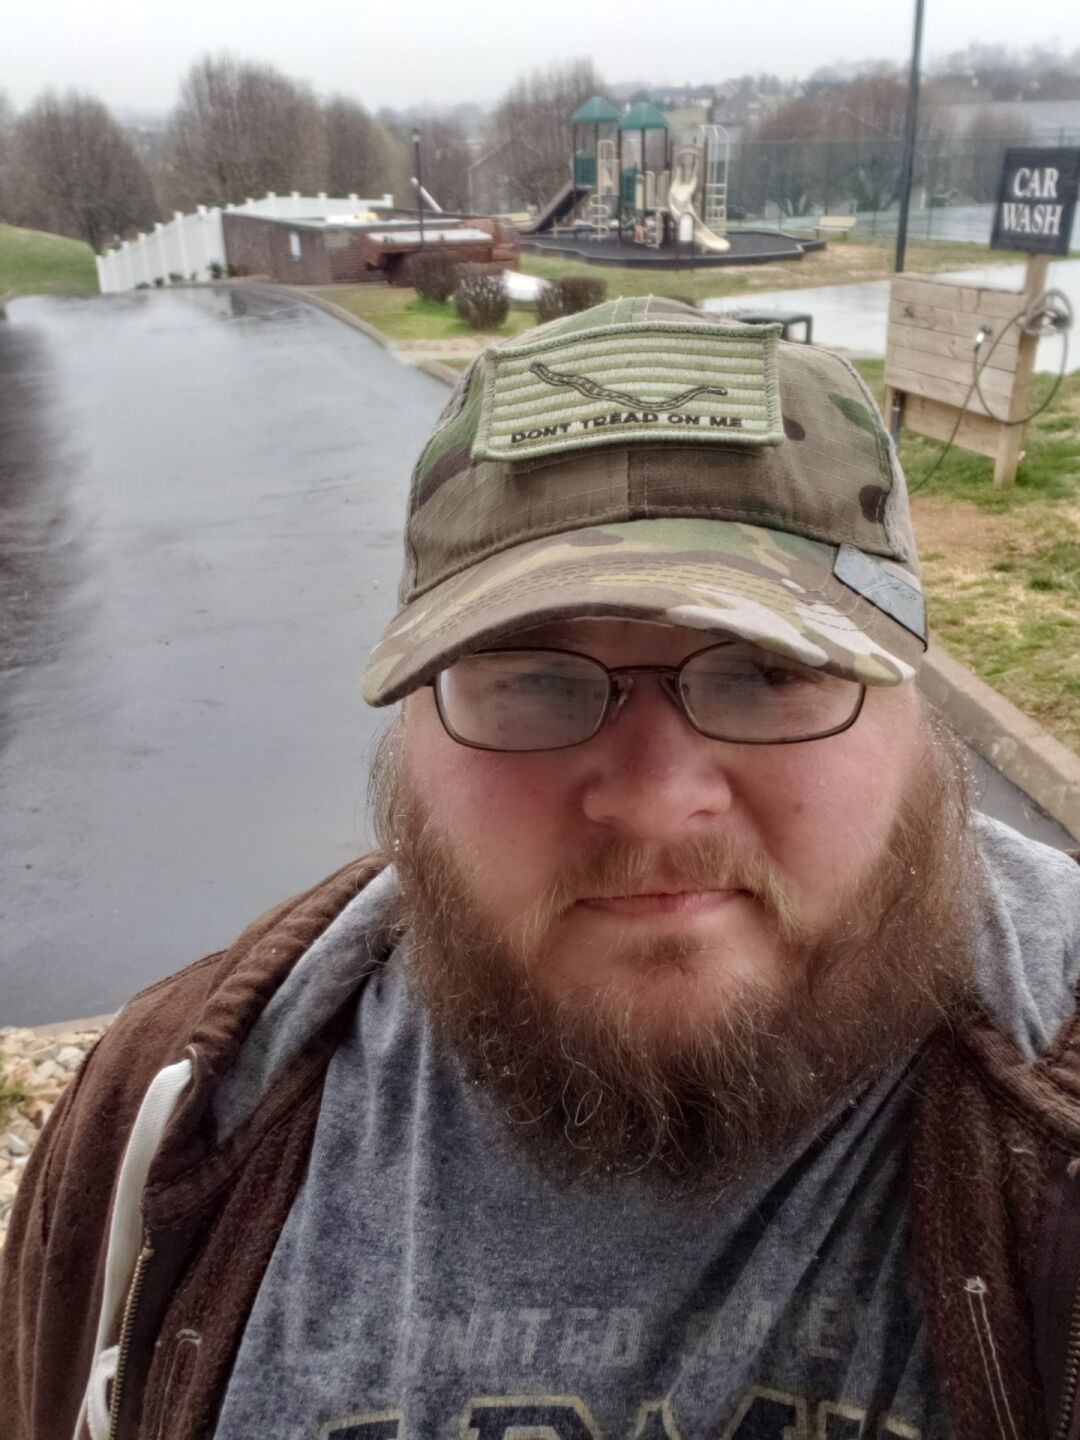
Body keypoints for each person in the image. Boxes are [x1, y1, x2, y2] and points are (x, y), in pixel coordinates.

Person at [2, 298, 1079, 1440]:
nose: (656, 800)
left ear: (915, 711)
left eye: (769, 672)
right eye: (533, 681)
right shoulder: (166, 1115)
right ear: (413, 729)